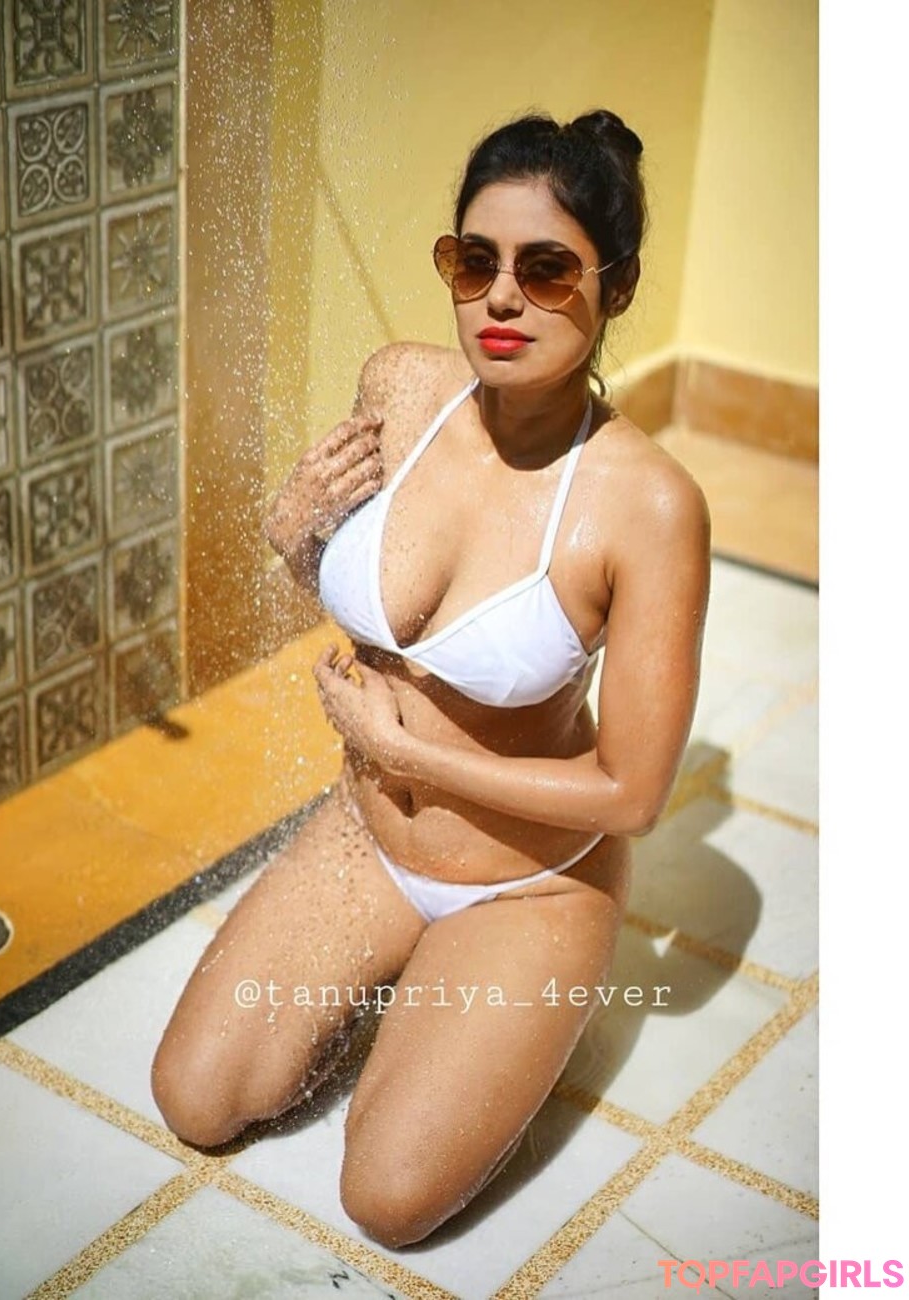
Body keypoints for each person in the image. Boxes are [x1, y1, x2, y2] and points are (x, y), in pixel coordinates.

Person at [152, 110, 710, 1248]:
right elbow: (395, 628)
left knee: (390, 1198)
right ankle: (405, 969)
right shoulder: (404, 388)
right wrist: (298, 541)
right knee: (197, 1099)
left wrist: (408, 753)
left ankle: (482, 990)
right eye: (474, 261)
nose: (501, 298)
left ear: (615, 287)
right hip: (369, 835)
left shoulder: (647, 505)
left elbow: (632, 793)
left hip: (527, 883)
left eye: (546, 270)